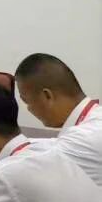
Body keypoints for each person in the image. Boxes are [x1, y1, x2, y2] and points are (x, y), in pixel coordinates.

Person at [14, 52, 102, 186]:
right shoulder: (94, 120)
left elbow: (25, 166)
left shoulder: (83, 138)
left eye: (27, 101)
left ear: (47, 96)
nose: (29, 109)